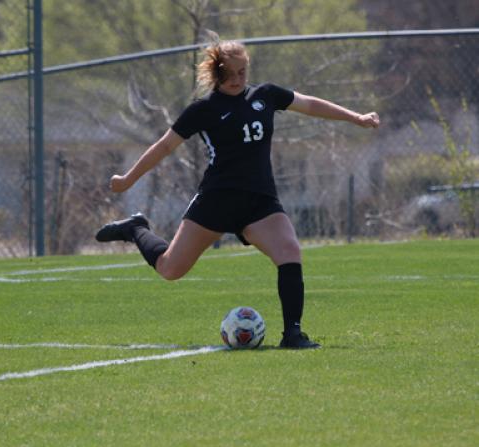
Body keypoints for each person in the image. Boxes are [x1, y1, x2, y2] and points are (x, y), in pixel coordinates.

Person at [96, 38, 380, 349]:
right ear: (216, 75)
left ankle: (293, 334)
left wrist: (356, 117)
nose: (237, 79)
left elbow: (310, 104)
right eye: (229, 74)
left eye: (242, 72)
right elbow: (164, 146)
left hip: (259, 200)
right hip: (216, 200)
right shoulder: (202, 110)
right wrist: (128, 179)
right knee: (169, 269)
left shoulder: (266, 95)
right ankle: (137, 228)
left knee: (289, 252)